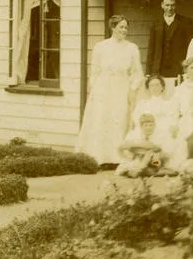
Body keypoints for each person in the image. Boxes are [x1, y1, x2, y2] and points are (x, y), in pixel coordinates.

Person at [76, 15, 144, 165]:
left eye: (126, 27)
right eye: (121, 27)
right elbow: (94, 70)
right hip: (103, 87)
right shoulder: (101, 46)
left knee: (119, 119)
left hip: (121, 87)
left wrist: (132, 88)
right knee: (101, 119)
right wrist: (94, 89)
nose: (124, 30)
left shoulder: (132, 48)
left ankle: (117, 158)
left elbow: (137, 72)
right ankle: (99, 157)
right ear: (112, 28)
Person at [145, 0, 193, 97]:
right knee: (160, 95)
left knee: (178, 95)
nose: (170, 8)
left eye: (172, 5)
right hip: (159, 68)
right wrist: (148, 71)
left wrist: (188, 68)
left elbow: (192, 47)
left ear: (176, 6)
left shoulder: (185, 22)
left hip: (178, 68)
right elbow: (151, 48)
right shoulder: (155, 23)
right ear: (162, 5)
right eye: (167, 5)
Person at [130, 75, 180, 168]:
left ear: (162, 87)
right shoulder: (143, 103)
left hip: (164, 126)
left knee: (166, 136)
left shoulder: (169, 103)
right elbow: (136, 117)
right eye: (152, 85)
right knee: (137, 135)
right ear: (148, 88)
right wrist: (143, 126)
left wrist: (173, 126)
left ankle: (156, 162)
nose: (155, 88)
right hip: (146, 127)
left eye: (157, 85)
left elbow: (174, 116)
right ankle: (143, 163)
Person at [173, 57, 193, 169]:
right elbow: (175, 109)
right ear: (186, 70)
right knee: (183, 132)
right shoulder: (179, 89)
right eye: (192, 68)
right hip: (185, 118)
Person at [115, 113, 169, 178]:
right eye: (146, 126)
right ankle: (140, 170)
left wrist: (153, 150)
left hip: (154, 162)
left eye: (151, 125)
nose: (148, 128)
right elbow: (123, 147)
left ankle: (141, 170)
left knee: (152, 153)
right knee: (132, 163)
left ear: (154, 126)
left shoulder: (158, 135)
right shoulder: (135, 134)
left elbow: (160, 150)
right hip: (139, 159)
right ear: (141, 127)